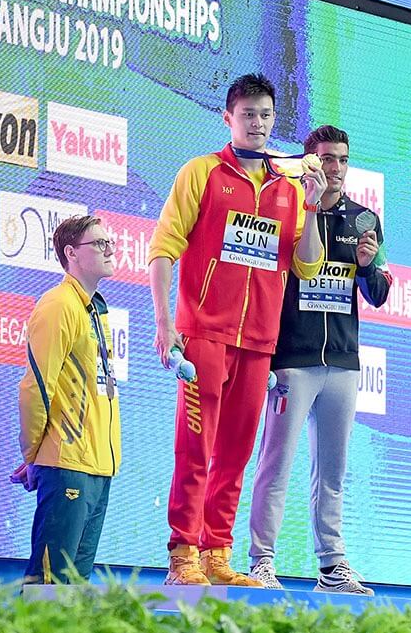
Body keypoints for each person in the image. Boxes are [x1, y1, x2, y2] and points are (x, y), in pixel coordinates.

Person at [147, 73, 326, 586]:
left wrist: (312, 205)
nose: (258, 123)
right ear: (229, 118)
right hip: (203, 334)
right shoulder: (201, 172)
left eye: (266, 115)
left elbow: (308, 266)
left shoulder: (289, 187)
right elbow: (162, 251)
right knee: (195, 448)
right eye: (248, 114)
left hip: (259, 343)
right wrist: (165, 325)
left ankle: (217, 554)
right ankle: (183, 553)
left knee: (237, 453)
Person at [247, 125, 390, 594]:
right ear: (309, 161)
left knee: (333, 470)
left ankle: (332, 565)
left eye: (342, 160)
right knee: (276, 464)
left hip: (344, 364)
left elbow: (378, 294)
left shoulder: (365, 221)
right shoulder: (286, 211)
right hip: (293, 360)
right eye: (326, 159)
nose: (335, 169)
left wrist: (368, 265)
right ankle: (261, 561)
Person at [16, 215, 122, 584]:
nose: (111, 249)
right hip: (67, 463)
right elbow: (36, 388)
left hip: (98, 466)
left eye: (110, 242)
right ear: (71, 253)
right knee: (50, 583)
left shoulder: (93, 310)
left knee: (75, 587)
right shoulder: (58, 305)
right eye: (100, 244)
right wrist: (33, 456)